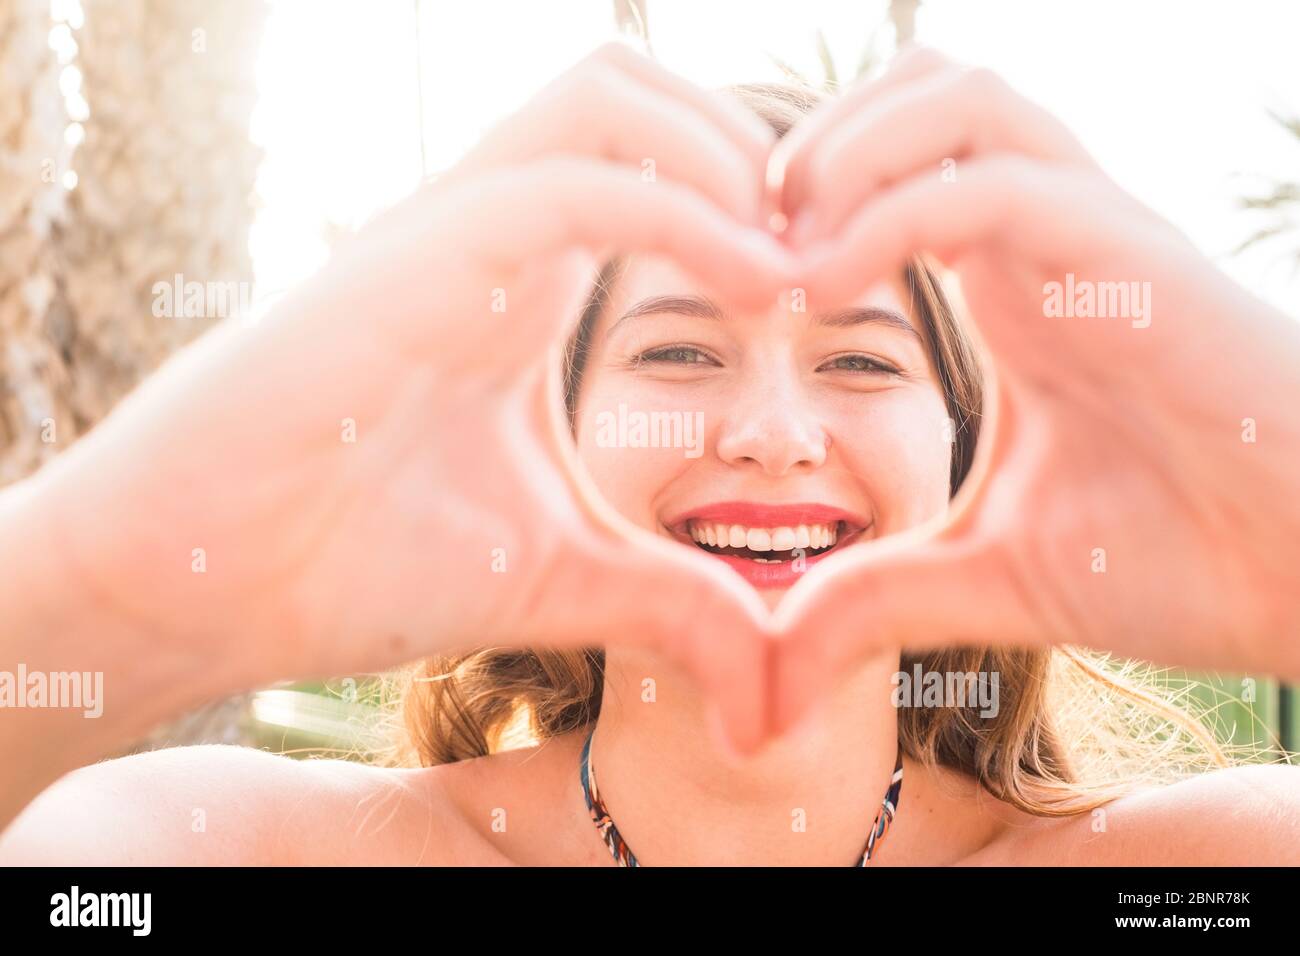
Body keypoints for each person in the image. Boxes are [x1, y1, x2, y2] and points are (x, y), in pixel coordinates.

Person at [0, 42, 1296, 866]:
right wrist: (138, 589)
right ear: (550, 436)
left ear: (968, 448)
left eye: (860, 360)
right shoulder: (225, 854)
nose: (771, 433)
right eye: (676, 354)